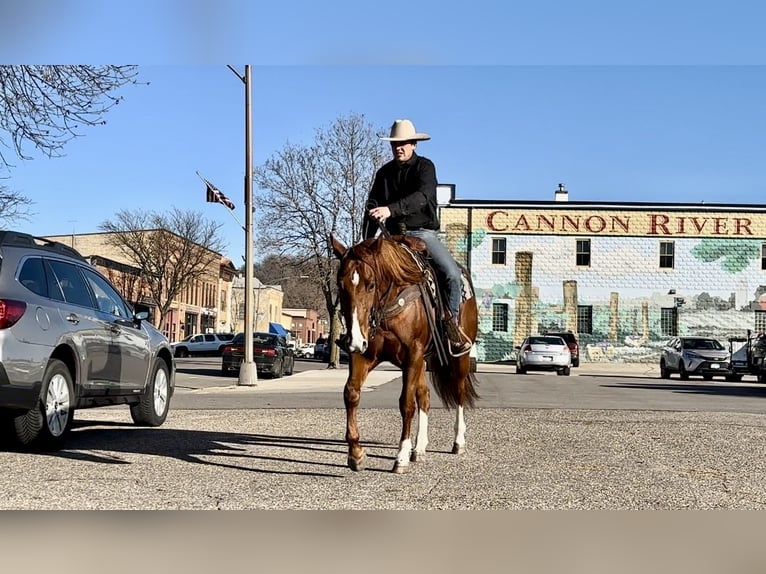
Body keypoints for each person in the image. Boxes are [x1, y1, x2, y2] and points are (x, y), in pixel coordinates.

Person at [362, 118, 471, 355]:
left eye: (404, 143)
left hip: (422, 234)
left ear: (414, 144)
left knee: (452, 274)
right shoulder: (384, 174)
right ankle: (359, 328)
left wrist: (391, 209)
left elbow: (423, 196)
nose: (398, 147)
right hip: (391, 237)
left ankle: (450, 325)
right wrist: (365, 243)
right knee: (361, 276)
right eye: (395, 144)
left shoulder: (425, 168)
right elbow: (371, 206)